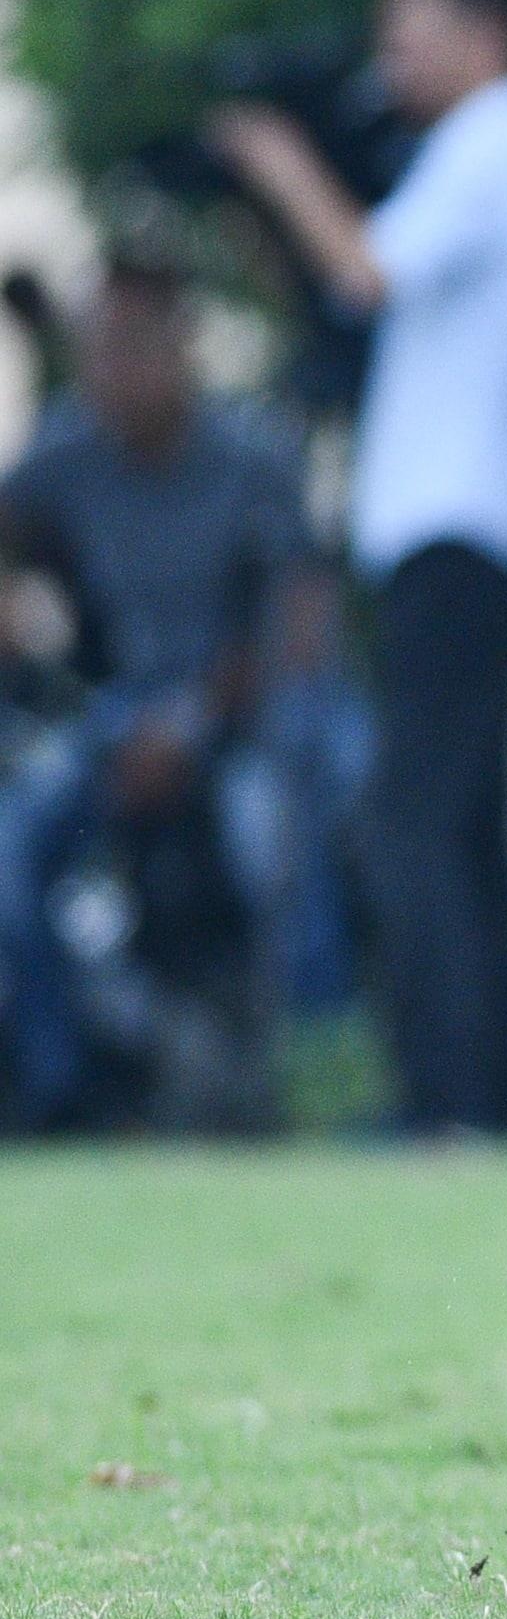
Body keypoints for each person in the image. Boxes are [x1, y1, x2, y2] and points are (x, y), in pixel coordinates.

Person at [210, 0, 507, 1134]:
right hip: (475, 527)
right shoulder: (482, 148)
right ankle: (503, 1092)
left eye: (406, 31)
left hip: (462, 526)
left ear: (488, 30)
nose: (390, 59)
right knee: (462, 820)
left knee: (406, 820)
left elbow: (363, 269)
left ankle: (444, 1098)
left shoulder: (502, 130)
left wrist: (276, 162)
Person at [0, 235, 315, 1130]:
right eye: (98, 349)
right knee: (17, 844)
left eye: (133, 346)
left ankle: (277, 1076)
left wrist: (193, 725)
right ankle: (62, 1091)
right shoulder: (65, 453)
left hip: (234, 715)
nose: (114, 372)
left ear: (180, 347)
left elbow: (290, 619)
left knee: (277, 833)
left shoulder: (247, 458)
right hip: (108, 715)